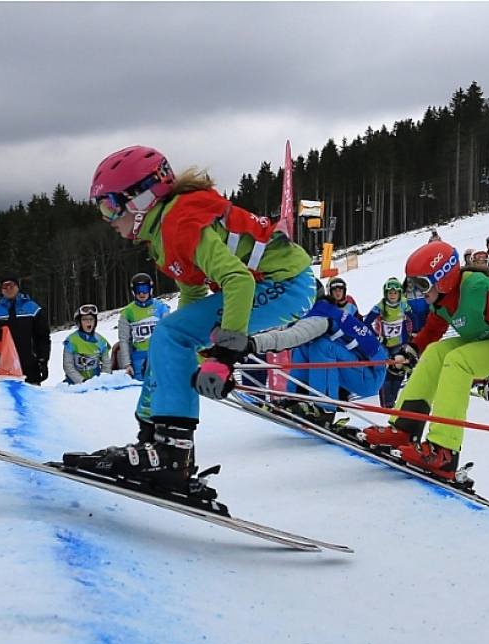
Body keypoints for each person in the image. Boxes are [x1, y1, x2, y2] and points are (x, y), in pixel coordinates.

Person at [76, 144, 316, 494]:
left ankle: (173, 454)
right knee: (168, 338)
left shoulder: (179, 222)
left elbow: (238, 279)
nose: (106, 219)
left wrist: (224, 355)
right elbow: (191, 296)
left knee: (171, 333)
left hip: (287, 283)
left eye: (110, 206)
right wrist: (188, 356)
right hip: (273, 284)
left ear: (141, 199)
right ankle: (153, 442)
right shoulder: (162, 233)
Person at [360, 241, 489, 481]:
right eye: (414, 284)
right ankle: (405, 428)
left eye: (423, 283)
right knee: (435, 354)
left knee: (458, 361)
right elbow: (432, 331)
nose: (419, 291)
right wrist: (412, 349)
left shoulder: (478, 289)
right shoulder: (444, 298)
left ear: (442, 278)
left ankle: (444, 451)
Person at [248, 281, 386, 426]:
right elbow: (283, 329)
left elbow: (290, 337)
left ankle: (324, 408)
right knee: (305, 345)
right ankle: (296, 398)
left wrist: (251, 344)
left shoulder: (320, 316)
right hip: (360, 368)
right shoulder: (315, 312)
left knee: (321, 346)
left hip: (371, 375)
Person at [0, 272, 52, 385]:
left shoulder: (32, 308)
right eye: (5, 286)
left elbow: (43, 337)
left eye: (11, 285)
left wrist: (43, 360)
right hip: (3, 367)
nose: (8, 289)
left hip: (29, 365)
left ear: (17, 286)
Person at [363, 277, 416, 408]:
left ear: (399, 294)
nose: (392, 296)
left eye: (395, 293)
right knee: (386, 373)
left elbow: (414, 318)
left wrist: (413, 332)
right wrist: (376, 336)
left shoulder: (403, 304)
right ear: (385, 293)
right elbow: (367, 322)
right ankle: (386, 403)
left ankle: (393, 399)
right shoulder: (381, 306)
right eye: (390, 293)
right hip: (385, 345)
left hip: (399, 344)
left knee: (399, 370)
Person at [116, 272, 171, 381]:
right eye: (138, 290)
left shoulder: (161, 308)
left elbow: (169, 335)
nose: (142, 293)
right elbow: (124, 340)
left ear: (150, 289)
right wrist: (127, 364)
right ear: (133, 291)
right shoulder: (127, 312)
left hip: (159, 355)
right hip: (139, 358)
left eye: (145, 289)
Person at [63, 304, 113, 384]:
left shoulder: (101, 341)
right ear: (79, 322)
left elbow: (106, 364)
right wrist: (82, 381)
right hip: (74, 384)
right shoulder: (71, 340)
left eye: (91, 319)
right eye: (85, 319)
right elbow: (68, 365)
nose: (88, 322)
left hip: (96, 382)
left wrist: (104, 380)